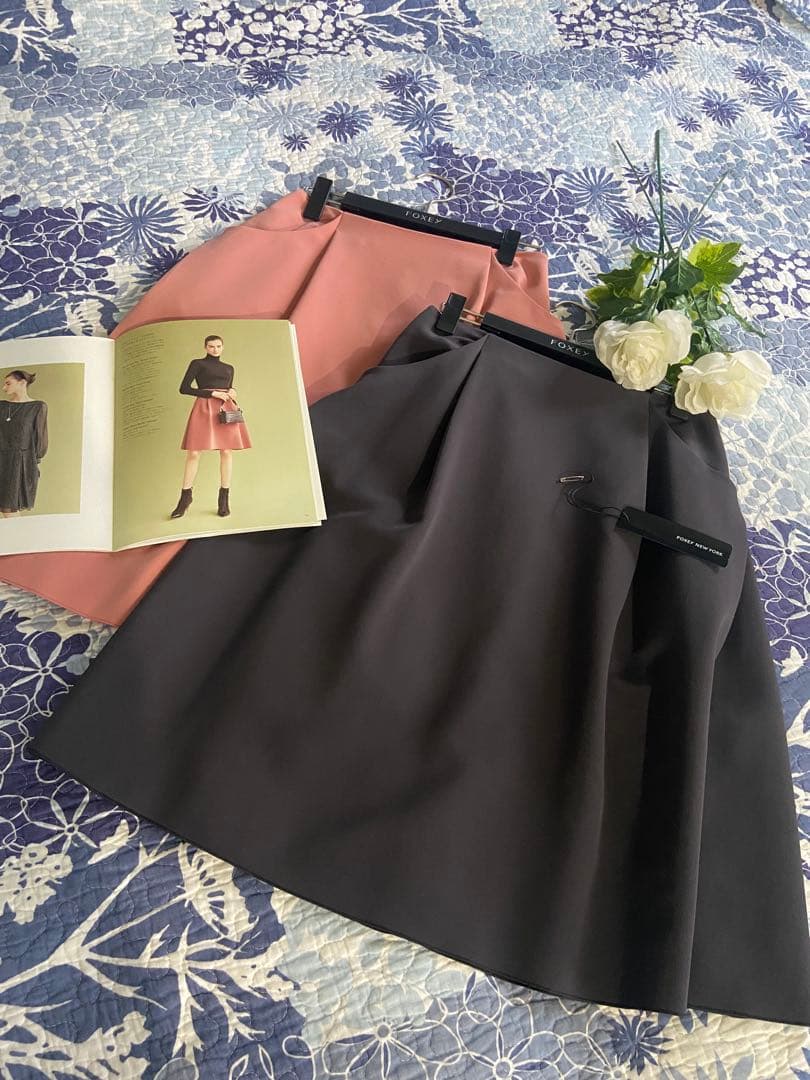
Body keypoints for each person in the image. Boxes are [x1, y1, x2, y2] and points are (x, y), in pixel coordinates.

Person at [170, 334, 251, 520]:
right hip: (204, 407)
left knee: (226, 452)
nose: (215, 349)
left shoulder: (229, 368)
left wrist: (233, 391)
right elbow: (184, 388)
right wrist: (212, 393)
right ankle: (185, 498)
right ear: (205, 347)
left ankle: (224, 500)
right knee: (194, 453)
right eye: (211, 346)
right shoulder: (197, 364)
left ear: (223, 347)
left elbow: (229, 387)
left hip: (225, 408)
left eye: (218, 346)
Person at [0, 369, 48, 517]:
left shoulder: (37, 407)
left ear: (22, 383)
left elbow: (40, 438)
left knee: (10, 511)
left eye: (8, 383)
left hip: (19, 463)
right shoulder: (1, 406)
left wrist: (33, 462)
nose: (4, 388)